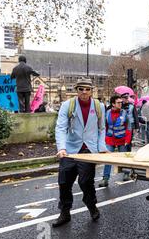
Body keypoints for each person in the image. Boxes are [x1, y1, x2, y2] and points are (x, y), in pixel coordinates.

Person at [53, 78, 107, 227]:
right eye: (81, 89)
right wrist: (61, 148)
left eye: (87, 89)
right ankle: (65, 212)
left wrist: (101, 147)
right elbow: (61, 128)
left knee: (85, 182)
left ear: (91, 91)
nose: (84, 92)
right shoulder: (67, 105)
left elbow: (102, 128)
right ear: (76, 90)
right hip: (70, 150)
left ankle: (91, 205)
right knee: (64, 182)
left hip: (88, 149)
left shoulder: (99, 106)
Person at [99, 94, 134, 187]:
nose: (120, 104)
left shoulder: (124, 113)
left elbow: (129, 127)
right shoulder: (107, 113)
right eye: (118, 103)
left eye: (121, 103)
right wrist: (103, 139)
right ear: (113, 104)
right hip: (110, 139)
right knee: (108, 159)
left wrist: (127, 139)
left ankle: (126, 174)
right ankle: (105, 179)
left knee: (123, 157)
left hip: (122, 139)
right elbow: (104, 127)